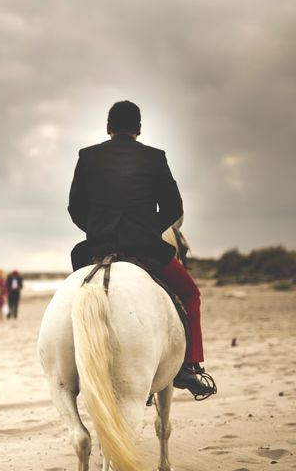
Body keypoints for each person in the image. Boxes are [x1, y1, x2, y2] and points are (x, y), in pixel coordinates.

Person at [68, 100, 216, 399]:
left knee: (77, 294)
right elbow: (174, 207)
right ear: (138, 129)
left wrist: (98, 230)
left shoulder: (87, 156)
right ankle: (190, 366)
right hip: (144, 247)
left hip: (97, 247)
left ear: (108, 128)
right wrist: (148, 229)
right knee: (190, 294)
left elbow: (75, 208)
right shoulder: (154, 157)